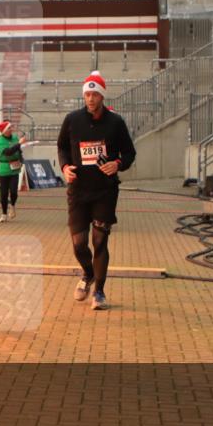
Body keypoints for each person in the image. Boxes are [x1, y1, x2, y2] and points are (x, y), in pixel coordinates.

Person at [57, 70, 136, 311]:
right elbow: (62, 147)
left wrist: (118, 164)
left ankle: (99, 292)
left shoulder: (116, 122)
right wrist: (65, 167)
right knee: (79, 244)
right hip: (78, 191)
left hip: (105, 191)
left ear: (102, 96)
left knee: (99, 240)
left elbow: (130, 153)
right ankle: (88, 273)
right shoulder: (72, 120)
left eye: (94, 94)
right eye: (87, 94)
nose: (90, 98)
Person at [0, 120, 26, 222]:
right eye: (9, 128)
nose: (11, 129)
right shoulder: (0, 141)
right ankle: (4, 214)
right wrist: (19, 144)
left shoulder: (15, 138)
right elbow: (8, 152)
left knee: (14, 192)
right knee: (3, 194)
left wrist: (21, 160)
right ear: (4, 131)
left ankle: (12, 206)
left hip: (14, 169)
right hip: (4, 169)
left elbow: (18, 150)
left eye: (11, 127)